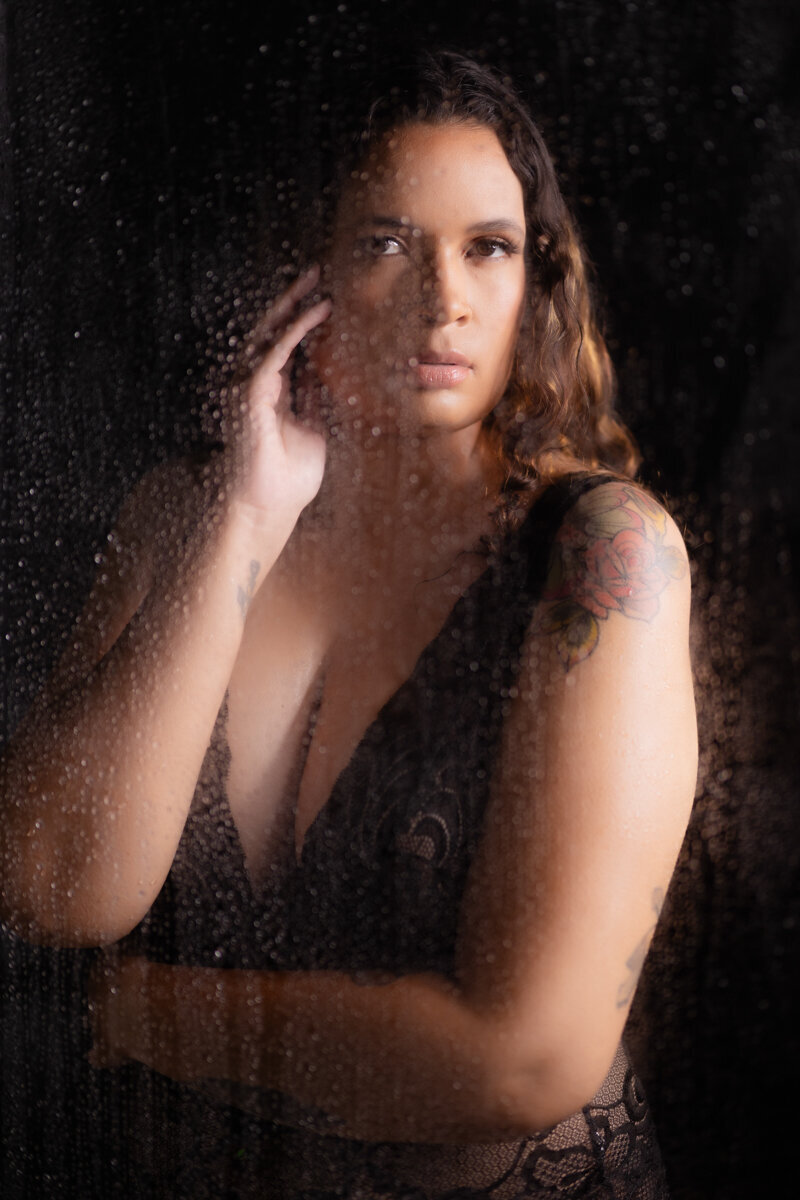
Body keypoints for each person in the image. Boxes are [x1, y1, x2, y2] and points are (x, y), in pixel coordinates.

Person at [0, 52, 697, 1198]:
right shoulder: (190, 511)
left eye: (487, 247)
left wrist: (134, 1012)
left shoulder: (604, 552)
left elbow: (519, 1062)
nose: (444, 299)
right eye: (384, 243)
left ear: (535, 280)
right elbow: (53, 885)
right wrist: (245, 514)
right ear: (304, 272)